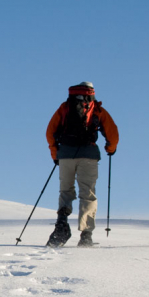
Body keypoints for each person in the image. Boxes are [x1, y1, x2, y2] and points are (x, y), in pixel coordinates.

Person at [45, 82, 119, 248]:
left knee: (65, 190)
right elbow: (112, 133)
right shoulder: (97, 109)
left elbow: (50, 132)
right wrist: (110, 149)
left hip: (65, 155)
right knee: (87, 193)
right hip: (89, 155)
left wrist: (55, 154)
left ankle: (62, 224)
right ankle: (86, 235)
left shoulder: (65, 107)